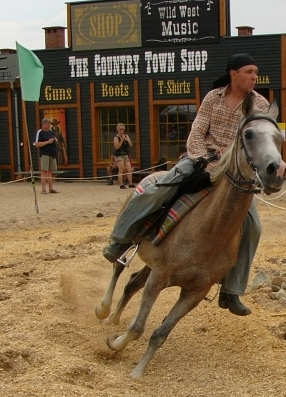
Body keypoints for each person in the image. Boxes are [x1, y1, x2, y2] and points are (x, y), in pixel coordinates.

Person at [102, 53, 270, 316]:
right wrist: (203, 159)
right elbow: (196, 132)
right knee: (158, 189)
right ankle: (121, 239)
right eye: (248, 71)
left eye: (255, 72)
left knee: (254, 227)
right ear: (233, 74)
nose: (254, 77)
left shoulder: (259, 104)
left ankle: (231, 291)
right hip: (202, 160)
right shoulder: (212, 98)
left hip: (236, 173)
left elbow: (260, 142)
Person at [34, 117, 58, 193]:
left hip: (52, 154)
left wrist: (55, 141)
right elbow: (37, 144)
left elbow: (54, 141)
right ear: (43, 124)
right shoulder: (40, 132)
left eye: (49, 125)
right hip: (45, 154)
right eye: (47, 124)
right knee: (44, 171)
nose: (49, 126)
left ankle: (51, 188)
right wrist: (47, 142)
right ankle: (43, 189)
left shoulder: (51, 132)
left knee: (50, 172)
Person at [113, 123, 135, 189]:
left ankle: (130, 184)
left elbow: (131, 145)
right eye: (120, 129)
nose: (122, 130)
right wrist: (122, 140)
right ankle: (121, 184)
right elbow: (116, 147)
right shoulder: (116, 138)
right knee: (121, 168)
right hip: (119, 154)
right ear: (117, 130)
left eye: (123, 129)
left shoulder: (126, 136)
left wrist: (128, 140)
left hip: (125, 154)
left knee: (129, 169)